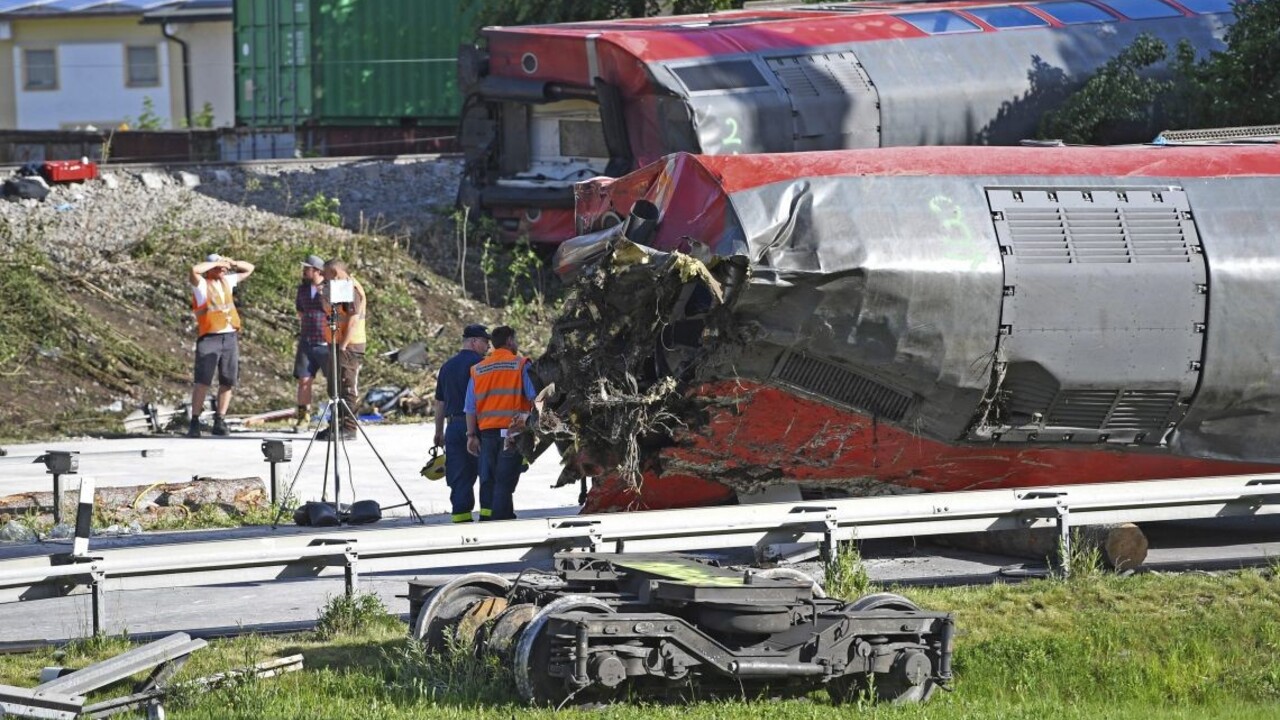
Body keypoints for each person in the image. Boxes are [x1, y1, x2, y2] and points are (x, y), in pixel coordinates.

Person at [465, 326, 536, 521]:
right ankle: (501, 521)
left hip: (487, 433)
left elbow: (470, 407)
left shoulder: (478, 369)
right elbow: (534, 397)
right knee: (505, 479)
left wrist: (471, 436)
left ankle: (491, 517)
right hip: (512, 433)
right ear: (510, 341)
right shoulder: (520, 365)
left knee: (489, 478)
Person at [187, 253, 255, 437]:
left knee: (228, 380)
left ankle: (220, 419)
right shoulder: (202, 285)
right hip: (210, 337)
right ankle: (195, 421)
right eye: (219, 267)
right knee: (202, 381)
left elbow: (249, 268)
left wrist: (231, 262)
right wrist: (214, 264)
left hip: (229, 336)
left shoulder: (227, 281)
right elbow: (194, 270)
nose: (223, 270)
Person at [434, 324, 491, 523]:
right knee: (486, 471)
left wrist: (439, 431)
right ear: (474, 341)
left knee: (458, 475)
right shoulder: (482, 366)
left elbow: (440, 402)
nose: (488, 347)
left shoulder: (447, 366)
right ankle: (488, 515)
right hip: (478, 427)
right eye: (485, 342)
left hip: (453, 427)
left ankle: (461, 517)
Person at [318, 259, 366, 441]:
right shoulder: (339, 289)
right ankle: (335, 424)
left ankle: (349, 427)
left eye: (326, 273)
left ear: (336, 273)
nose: (323, 277)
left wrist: (343, 345)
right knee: (334, 387)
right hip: (336, 343)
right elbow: (331, 313)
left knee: (346, 385)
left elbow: (353, 320)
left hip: (349, 345)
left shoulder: (352, 289)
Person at [293, 254, 329, 430]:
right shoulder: (302, 290)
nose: (304, 271)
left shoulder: (329, 288)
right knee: (304, 380)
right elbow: (300, 310)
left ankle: (336, 417)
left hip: (326, 341)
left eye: (307, 268)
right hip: (307, 340)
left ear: (317, 271)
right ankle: (303, 417)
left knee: (333, 381)